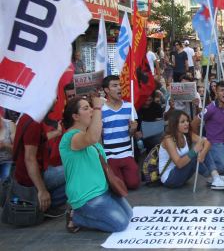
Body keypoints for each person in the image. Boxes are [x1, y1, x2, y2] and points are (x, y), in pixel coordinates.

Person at [60, 96, 132, 233]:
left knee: (129, 215)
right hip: (87, 196)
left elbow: (94, 135)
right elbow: (92, 138)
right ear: (75, 116)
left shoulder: (85, 133)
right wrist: (98, 107)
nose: (91, 110)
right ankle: (76, 217)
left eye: (91, 107)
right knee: (120, 225)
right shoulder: (70, 137)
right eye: (86, 108)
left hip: (104, 190)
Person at [159, 110, 224, 189]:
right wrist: (194, 150)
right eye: (182, 122)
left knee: (201, 147)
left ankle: (215, 177)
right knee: (194, 154)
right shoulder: (168, 140)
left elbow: (207, 142)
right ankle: (214, 177)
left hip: (182, 176)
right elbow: (179, 164)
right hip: (170, 179)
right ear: (175, 124)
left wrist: (203, 153)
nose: (186, 123)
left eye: (187, 121)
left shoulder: (186, 134)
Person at [13, 113, 66, 215]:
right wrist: (42, 191)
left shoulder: (28, 116)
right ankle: (43, 206)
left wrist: (56, 132)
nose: (55, 101)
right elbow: (29, 158)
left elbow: (35, 139)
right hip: (33, 176)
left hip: (35, 171)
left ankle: (44, 203)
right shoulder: (34, 122)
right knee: (76, 172)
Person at [194, 81, 224, 182]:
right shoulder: (210, 108)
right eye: (222, 90)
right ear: (216, 92)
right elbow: (194, 123)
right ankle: (207, 170)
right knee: (223, 167)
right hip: (215, 144)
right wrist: (197, 140)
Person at [101, 75, 140, 190]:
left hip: (127, 153)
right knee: (119, 187)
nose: (119, 88)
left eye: (120, 85)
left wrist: (133, 129)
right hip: (110, 155)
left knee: (133, 184)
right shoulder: (101, 110)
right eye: (115, 85)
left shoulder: (129, 106)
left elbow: (132, 134)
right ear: (106, 90)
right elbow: (99, 136)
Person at [0, 116, 15, 182]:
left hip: (7, 161)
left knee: (6, 176)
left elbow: (17, 150)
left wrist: (5, 145)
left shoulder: (10, 125)